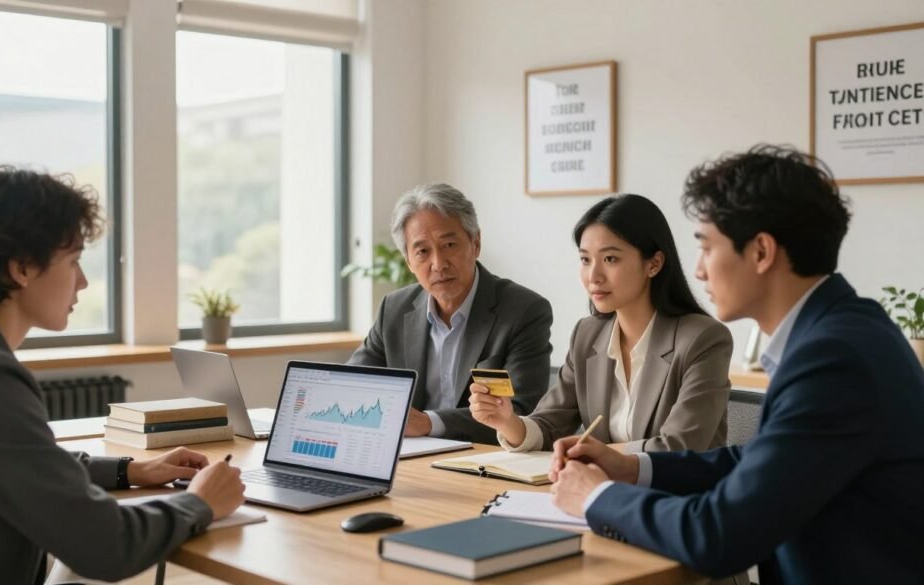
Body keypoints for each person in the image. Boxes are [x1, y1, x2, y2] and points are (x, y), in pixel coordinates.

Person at [549, 146, 924, 584]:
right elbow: (763, 461)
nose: (700, 270)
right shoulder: (845, 328)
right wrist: (630, 468)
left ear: (761, 251)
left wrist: (598, 497)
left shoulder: (833, 358)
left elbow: (718, 534)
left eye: (707, 247)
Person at [0, 167, 245, 584]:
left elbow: (22, 462)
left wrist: (130, 470)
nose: (81, 282)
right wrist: (201, 503)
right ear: (22, 268)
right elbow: (107, 547)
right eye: (74, 261)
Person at [469, 194, 732, 453]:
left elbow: (680, 447)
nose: (593, 276)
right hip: (604, 488)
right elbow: (550, 425)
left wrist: (599, 455)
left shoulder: (703, 339)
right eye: (585, 260)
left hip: (678, 492)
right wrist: (508, 422)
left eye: (610, 259)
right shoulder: (587, 334)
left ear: (654, 263)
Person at [349, 183, 553, 444]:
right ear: (409, 261)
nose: (438, 264)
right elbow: (355, 385)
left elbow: (522, 414)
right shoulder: (395, 309)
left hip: (481, 461)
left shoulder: (523, 311)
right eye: (422, 251)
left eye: (449, 245)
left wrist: (428, 423)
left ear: (475, 243)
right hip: (411, 460)